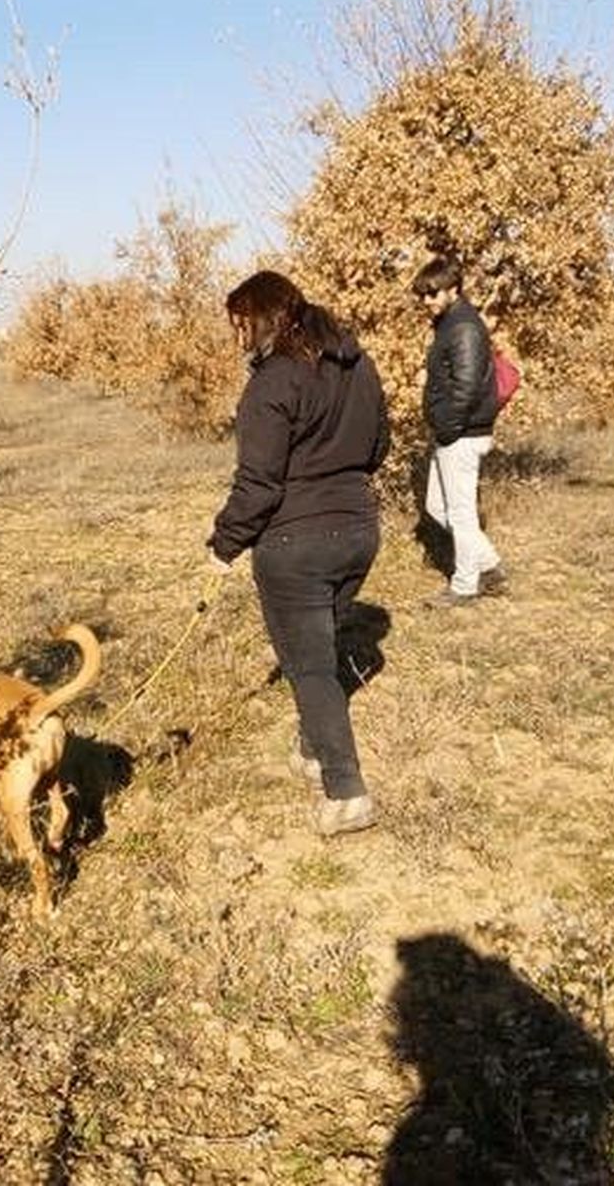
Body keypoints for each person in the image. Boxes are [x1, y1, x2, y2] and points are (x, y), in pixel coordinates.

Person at [207, 270, 390, 837]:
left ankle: (347, 792)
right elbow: (379, 447)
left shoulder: (271, 385)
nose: (238, 336)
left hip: (295, 545)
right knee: (321, 653)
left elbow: (258, 485)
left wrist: (224, 544)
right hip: (359, 532)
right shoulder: (358, 365)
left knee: (309, 667)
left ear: (262, 319)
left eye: (241, 324)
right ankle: (313, 749)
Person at [412, 253, 507, 607]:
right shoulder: (450, 323)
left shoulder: (464, 327)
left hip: (462, 434)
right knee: (437, 507)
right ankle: (490, 566)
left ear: (453, 289)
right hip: (455, 432)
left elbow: (467, 388)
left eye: (432, 293)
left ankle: (465, 585)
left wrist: (448, 427)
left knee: (460, 513)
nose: (427, 300)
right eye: (422, 295)